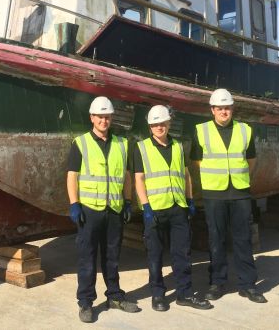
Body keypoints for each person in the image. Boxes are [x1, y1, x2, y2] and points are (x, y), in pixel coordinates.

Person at [66, 96, 141, 323]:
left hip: (114, 210)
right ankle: (86, 302)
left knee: (112, 257)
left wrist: (127, 201)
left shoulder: (122, 144)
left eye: (107, 116)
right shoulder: (80, 143)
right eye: (100, 116)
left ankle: (115, 297)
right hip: (89, 210)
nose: (103, 120)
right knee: (87, 258)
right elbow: (72, 176)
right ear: (92, 118)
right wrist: (74, 204)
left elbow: (126, 176)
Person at [189, 88, 267, 303]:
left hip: (240, 192)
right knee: (216, 239)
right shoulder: (201, 131)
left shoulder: (245, 130)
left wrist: (239, 177)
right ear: (212, 110)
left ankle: (248, 285)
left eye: (227, 108)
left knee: (243, 239)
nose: (224, 111)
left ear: (232, 109)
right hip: (214, 193)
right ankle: (217, 282)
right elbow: (196, 161)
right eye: (220, 108)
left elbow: (251, 159)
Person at [133, 105, 212, 312]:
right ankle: (158, 295)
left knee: (182, 254)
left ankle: (184, 294)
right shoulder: (141, 148)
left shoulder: (177, 146)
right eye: (155, 124)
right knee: (155, 255)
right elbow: (139, 179)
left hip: (178, 208)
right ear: (150, 127)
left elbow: (185, 175)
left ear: (169, 124)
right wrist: (146, 206)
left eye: (163, 123)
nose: (159, 127)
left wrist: (190, 199)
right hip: (155, 209)